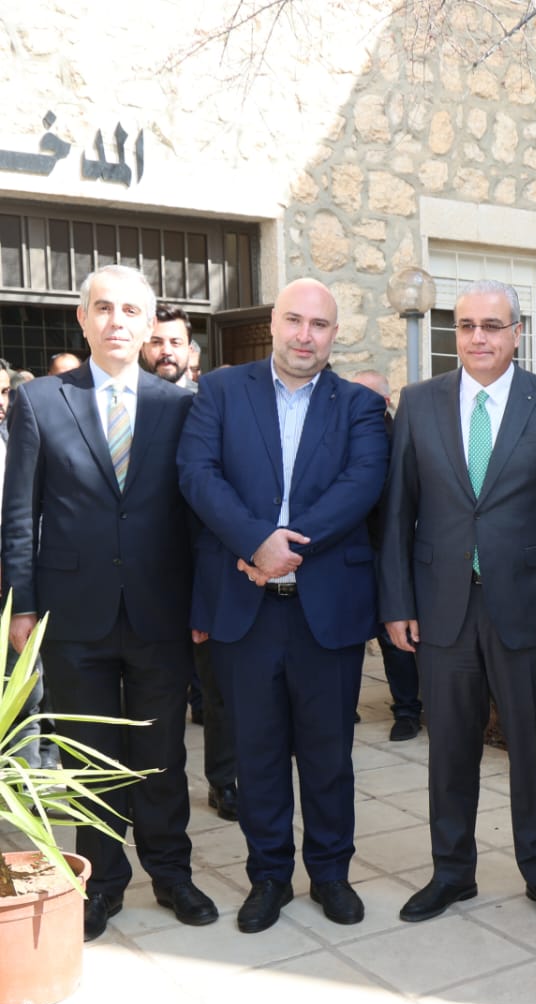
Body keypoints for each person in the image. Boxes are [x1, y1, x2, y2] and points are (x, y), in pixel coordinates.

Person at [2, 264, 218, 941]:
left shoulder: (180, 406)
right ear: (83, 318)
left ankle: (172, 874)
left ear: (149, 323)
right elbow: (19, 513)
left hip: (161, 611)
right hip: (72, 614)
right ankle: (102, 884)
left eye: (130, 310)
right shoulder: (40, 400)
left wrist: (203, 605)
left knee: (161, 756)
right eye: (103, 307)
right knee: (86, 759)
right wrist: (21, 605)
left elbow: (196, 515)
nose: (116, 320)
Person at [380, 279, 536, 927]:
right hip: (442, 609)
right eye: (467, 325)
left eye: (492, 326)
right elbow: (397, 515)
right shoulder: (419, 403)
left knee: (534, 751)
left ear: (517, 333)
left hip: (529, 613)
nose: (478, 337)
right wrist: (397, 602)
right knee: (449, 750)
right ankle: (452, 873)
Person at [178, 277, 388, 933]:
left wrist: (282, 548)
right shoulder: (219, 391)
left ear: (334, 334)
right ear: (273, 323)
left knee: (329, 755)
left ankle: (330, 874)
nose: (305, 335)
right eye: (294, 320)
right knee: (258, 754)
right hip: (245, 607)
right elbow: (197, 474)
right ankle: (268, 877)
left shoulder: (360, 405)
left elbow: (362, 483)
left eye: (319, 325)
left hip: (327, 609)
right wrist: (253, 542)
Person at [142, 302, 239, 820]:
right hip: (141, 580)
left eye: (175, 342)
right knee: (151, 701)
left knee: (218, 693)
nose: (166, 351)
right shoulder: (124, 407)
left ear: (191, 350)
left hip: (207, 575)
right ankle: (149, 792)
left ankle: (224, 781)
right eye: (157, 341)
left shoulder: (212, 407)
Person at [351, 368, 423, 742]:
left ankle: (407, 711)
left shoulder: (399, 439)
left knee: (394, 636)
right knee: (346, 636)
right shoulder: (342, 436)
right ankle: (344, 706)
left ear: (385, 402)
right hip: (349, 553)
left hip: (388, 552)